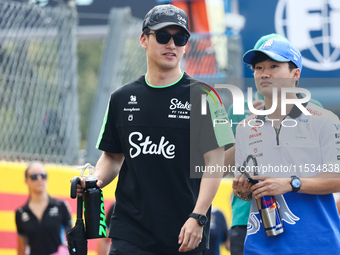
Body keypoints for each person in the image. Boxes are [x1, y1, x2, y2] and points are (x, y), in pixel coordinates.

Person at [77, 4, 235, 255]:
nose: (171, 44)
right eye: (163, 36)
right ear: (143, 39)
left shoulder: (205, 96)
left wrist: (199, 216)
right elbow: (113, 157)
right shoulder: (121, 97)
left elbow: (214, 164)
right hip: (130, 230)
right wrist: (95, 181)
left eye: (180, 38)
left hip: (185, 232)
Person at [232, 37, 340, 254]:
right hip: (260, 246)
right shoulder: (245, 128)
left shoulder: (325, 120)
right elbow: (244, 191)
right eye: (258, 68)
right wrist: (242, 191)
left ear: (295, 73)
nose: (264, 73)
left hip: (318, 243)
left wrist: (292, 183)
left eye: (274, 66)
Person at [15, 162, 72, 255]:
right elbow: (21, 248)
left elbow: (74, 239)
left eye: (43, 175)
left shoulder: (61, 206)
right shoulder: (21, 213)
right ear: (26, 181)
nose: (39, 179)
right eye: (34, 176)